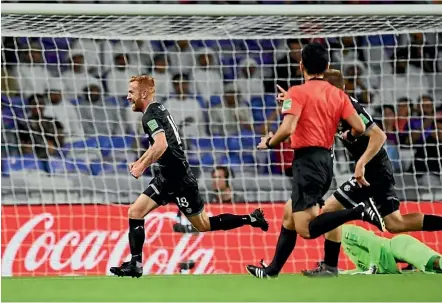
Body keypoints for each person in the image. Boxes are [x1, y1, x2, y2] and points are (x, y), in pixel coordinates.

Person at [109, 75, 269, 278]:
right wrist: (140, 161)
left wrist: (141, 167)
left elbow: (161, 145)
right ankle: (135, 264)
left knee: (203, 225)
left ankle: (251, 218)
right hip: (165, 177)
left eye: (131, 92)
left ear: (143, 93)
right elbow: (156, 143)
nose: (128, 97)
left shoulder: (149, 116)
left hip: (180, 180)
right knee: (135, 212)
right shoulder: (158, 108)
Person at [246, 43, 379, 279]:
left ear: (301, 65)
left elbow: (287, 129)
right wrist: (347, 134)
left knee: (306, 229)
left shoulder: (297, 92)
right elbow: (358, 127)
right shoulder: (337, 94)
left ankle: (359, 211)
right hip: (325, 162)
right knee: (289, 214)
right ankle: (272, 270)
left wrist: (269, 142)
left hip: (306, 163)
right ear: (326, 66)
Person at [302, 69, 442, 277]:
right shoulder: (332, 106)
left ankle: (330, 266)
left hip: (374, 170)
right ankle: (330, 265)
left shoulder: (351, 107)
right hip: (370, 170)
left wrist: (361, 163)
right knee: (395, 223)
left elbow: (379, 135)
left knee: (333, 211)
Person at [340, 225, 441, 275]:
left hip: (396, 246)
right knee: (432, 272)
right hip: (389, 264)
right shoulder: (345, 246)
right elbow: (363, 269)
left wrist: (373, 265)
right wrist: (342, 273)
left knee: (433, 263)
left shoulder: (345, 232)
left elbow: (374, 243)